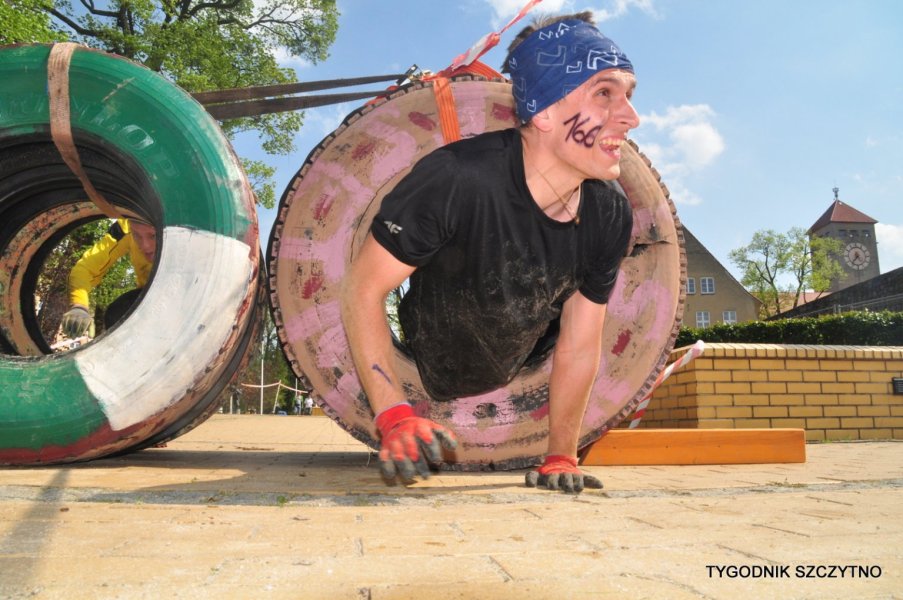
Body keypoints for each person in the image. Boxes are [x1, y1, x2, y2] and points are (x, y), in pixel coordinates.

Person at [340, 12, 639, 493]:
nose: (631, 116)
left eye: (629, 94)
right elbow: (362, 288)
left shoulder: (609, 212)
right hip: (434, 348)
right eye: (604, 93)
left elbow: (580, 344)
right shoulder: (456, 178)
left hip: (523, 352)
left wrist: (561, 455)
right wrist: (394, 413)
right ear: (544, 110)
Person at [60, 218, 157, 339]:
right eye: (136, 235)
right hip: (149, 298)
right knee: (117, 312)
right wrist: (79, 305)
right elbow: (84, 268)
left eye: (153, 236)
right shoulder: (124, 228)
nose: (145, 246)